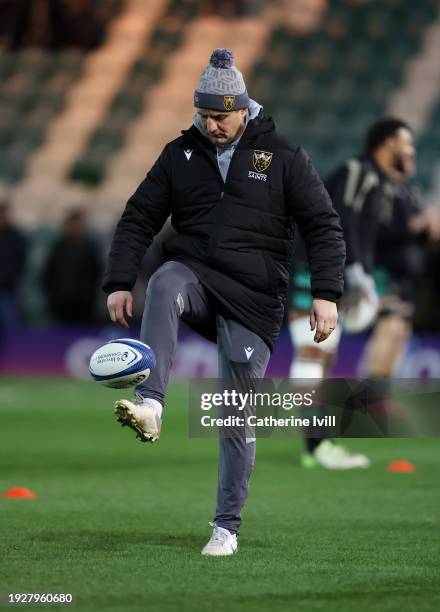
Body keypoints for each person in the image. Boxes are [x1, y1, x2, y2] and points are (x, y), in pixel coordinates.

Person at [103, 48, 345, 556]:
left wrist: (326, 293)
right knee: (165, 280)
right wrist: (120, 281)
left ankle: (226, 527)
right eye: (204, 115)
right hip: (197, 279)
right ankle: (152, 404)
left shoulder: (283, 157)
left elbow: (323, 226)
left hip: (255, 299)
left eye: (220, 116)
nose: (210, 125)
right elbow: (138, 217)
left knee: (235, 412)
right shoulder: (179, 155)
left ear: (243, 108)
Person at [289, 118, 416, 469]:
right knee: (313, 353)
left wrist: (361, 274)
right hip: (312, 268)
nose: (410, 151)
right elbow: (342, 220)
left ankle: (317, 445)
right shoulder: (357, 171)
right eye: (406, 143)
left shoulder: (376, 181)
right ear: (387, 143)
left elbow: (360, 231)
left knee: (323, 356)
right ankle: (316, 446)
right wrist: (359, 270)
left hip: (332, 273)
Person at [42, 208, 102, 323]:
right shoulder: (58, 247)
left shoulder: (90, 248)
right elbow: (49, 272)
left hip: (84, 302)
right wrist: (52, 295)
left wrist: (89, 293)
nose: (75, 229)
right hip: (61, 302)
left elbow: (96, 272)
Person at [0, 201, 27, 334]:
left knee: (11, 325)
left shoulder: (15, 237)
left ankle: (14, 353)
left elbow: (20, 261)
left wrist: (9, 276)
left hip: (8, 288)